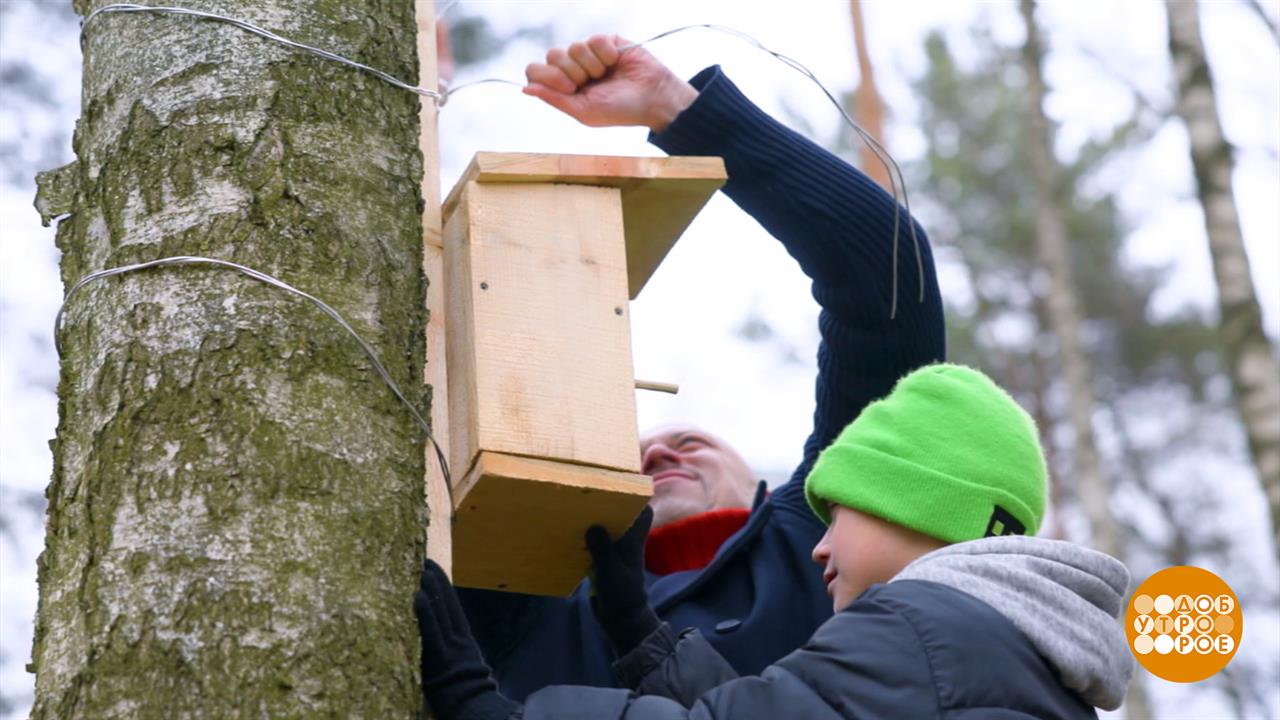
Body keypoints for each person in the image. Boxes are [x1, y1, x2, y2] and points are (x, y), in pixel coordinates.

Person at [455, 34, 946, 700]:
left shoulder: (822, 552)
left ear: (761, 488)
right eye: (636, 457)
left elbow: (886, 279)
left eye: (690, 443)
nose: (658, 449)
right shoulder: (528, 595)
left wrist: (680, 111)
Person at [415, 364, 1135, 720]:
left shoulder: (923, 627)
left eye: (840, 511)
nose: (821, 546)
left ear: (915, 508)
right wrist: (642, 637)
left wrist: (491, 709)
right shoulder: (999, 654)